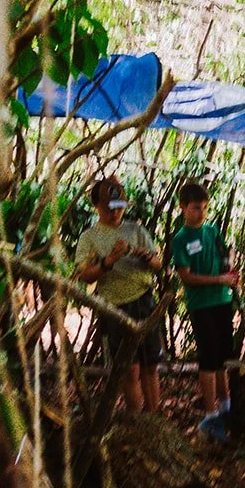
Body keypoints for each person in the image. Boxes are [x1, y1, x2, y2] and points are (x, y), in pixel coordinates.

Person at [75, 176, 163, 413]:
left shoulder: (136, 230)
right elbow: (85, 275)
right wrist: (109, 261)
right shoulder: (89, 238)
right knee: (128, 369)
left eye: (119, 209)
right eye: (109, 209)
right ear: (97, 206)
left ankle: (154, 420)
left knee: (150, 365)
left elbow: (158, 263)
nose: (115, 214)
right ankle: (136, 420)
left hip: (144, 301)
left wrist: (144, 256)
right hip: (114, 308)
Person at [170, 181, 239, 440]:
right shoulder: (180, 240)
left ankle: (226, 406)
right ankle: (210, 415)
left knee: (223, 356)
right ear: (183, 208)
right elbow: (186, 277)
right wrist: (219, 280)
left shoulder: (212, 231)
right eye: (197, 208)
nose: (202, 212)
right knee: (208, 358)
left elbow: (224, 258)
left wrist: (230, 273)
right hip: (201, 305)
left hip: (222, 300)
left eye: (205, 207)